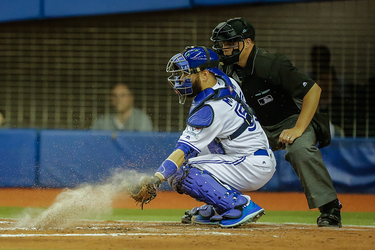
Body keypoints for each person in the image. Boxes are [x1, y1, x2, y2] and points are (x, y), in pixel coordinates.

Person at [210, 17, 342, 227]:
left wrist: (298, 128)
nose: (225, 48)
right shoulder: (227, 70)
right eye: (223, 44)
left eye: (230, 42)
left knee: (300, 150)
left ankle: (330, 208)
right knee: (214, 147)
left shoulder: (272, 63)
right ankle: (217, 204)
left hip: (291, 120)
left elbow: (314, 90)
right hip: (257, 127)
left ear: (248, 42)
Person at [142, 46, 276, 227]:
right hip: (250, 155)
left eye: (186, 74)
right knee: (200, 149)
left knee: (180, 172)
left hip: (250, 163)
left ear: (205, 75)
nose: (182, 79)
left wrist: (156, 179)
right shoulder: (224, 81)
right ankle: (218, 206)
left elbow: (182, 151)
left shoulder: (211, 108)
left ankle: (239, 205)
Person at [309, 45, 344, 138]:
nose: (325, 84)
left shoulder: (340, 105)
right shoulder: (309, 103)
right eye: (322, 80)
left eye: (328, 80)